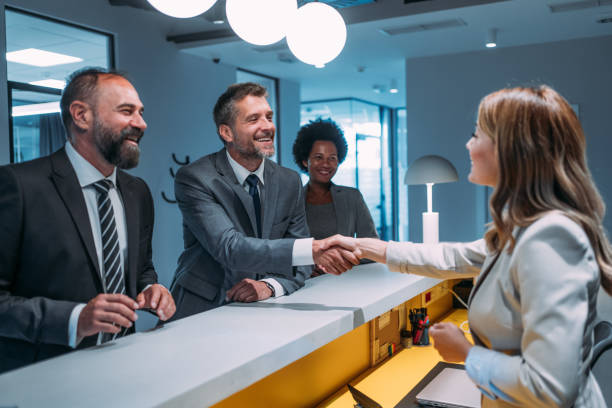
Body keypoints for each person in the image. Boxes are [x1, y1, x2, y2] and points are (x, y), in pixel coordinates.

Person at [325, 86, 612, 407]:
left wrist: (466, 354)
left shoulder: (551, 238)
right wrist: (362, 246)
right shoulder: (524, 228)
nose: (468, 144)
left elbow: (551, 388)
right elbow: (451, 257)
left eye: (476, 135)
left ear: (511, 150)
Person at [0, 67, 175, 374]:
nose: (141, 123)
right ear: (81, 115)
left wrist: (152, 289)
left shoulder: (137, 192)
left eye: (141, 112)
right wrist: (75, 319)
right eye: (127, 111)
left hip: (125, 364)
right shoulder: (19, 186)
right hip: (45, 375)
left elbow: (142, 269)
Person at [169, 83, 359, 320]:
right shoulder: (196, 178)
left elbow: (300, 265)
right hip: (201, 309)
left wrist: (270, 286)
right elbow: (230, 248)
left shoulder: (289, 181)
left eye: (269, 117)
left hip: (262, 310)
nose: (267, 126)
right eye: (253, 119)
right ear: (227, 133)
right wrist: (312, 249)